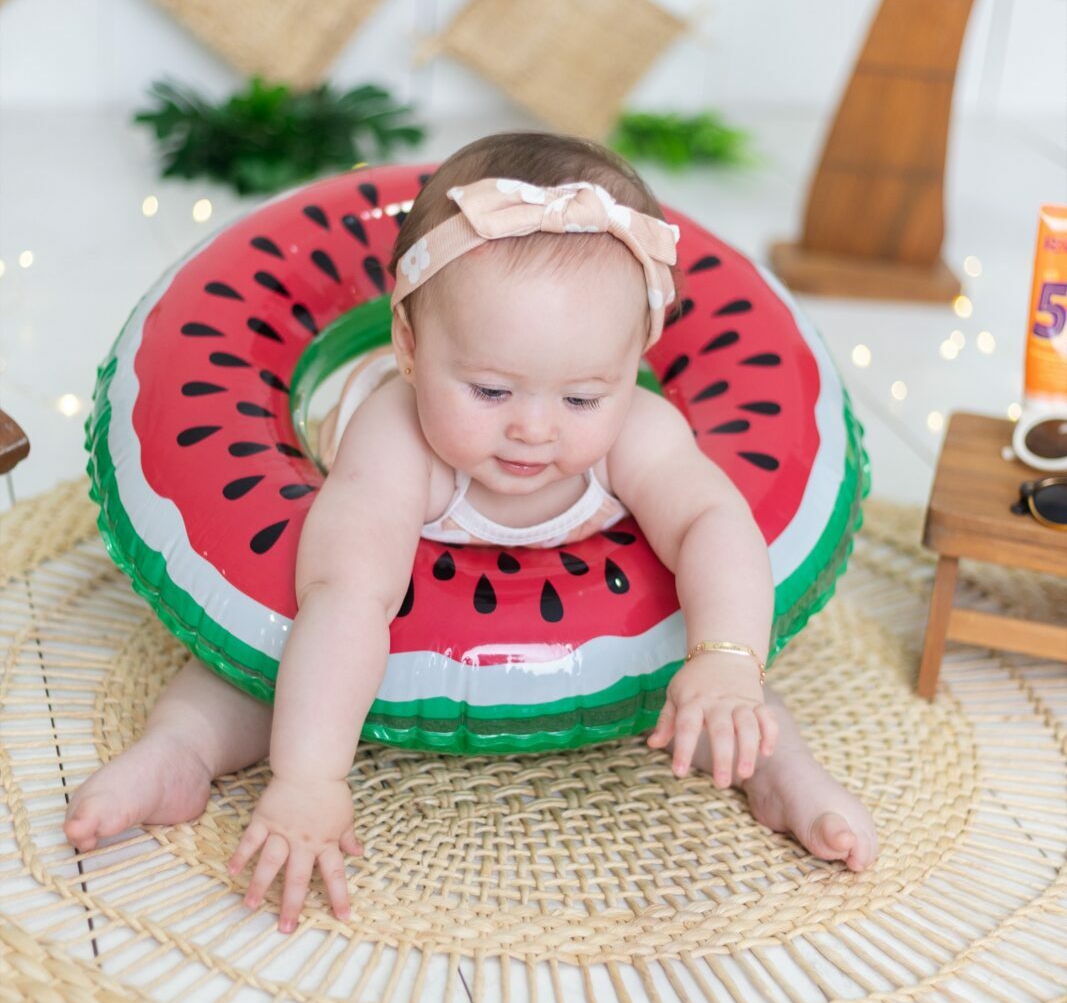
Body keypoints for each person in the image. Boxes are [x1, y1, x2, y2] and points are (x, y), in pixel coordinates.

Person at [64, 131, 878, 929]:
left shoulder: (640, 431)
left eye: (582, 398)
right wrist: (308, 780)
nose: (533, 429)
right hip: (368, 616)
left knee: (725, 683)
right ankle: (180, 752)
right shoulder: (394, 438)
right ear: (408, 347)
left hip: (609, 624)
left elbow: (713, 521)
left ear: (637, 359)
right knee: (252, 666)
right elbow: (346, 596)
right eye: (490, 391)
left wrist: (725, 659)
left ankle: (779, 775)